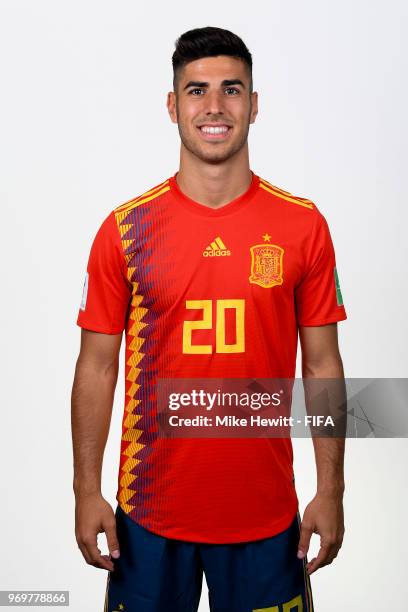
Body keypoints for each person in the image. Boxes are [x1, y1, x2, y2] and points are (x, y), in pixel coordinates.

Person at [71, 26, 347, 612]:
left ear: (255, 104)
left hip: (267, 519)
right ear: (173, 106)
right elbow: (97, 370)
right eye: (196, 91)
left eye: (232, 90)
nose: (215, 107)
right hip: (147, 517)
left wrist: (331, 489)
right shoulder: (125, 231)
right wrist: (85, 489)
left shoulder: (303, 227)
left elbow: (322, 364)